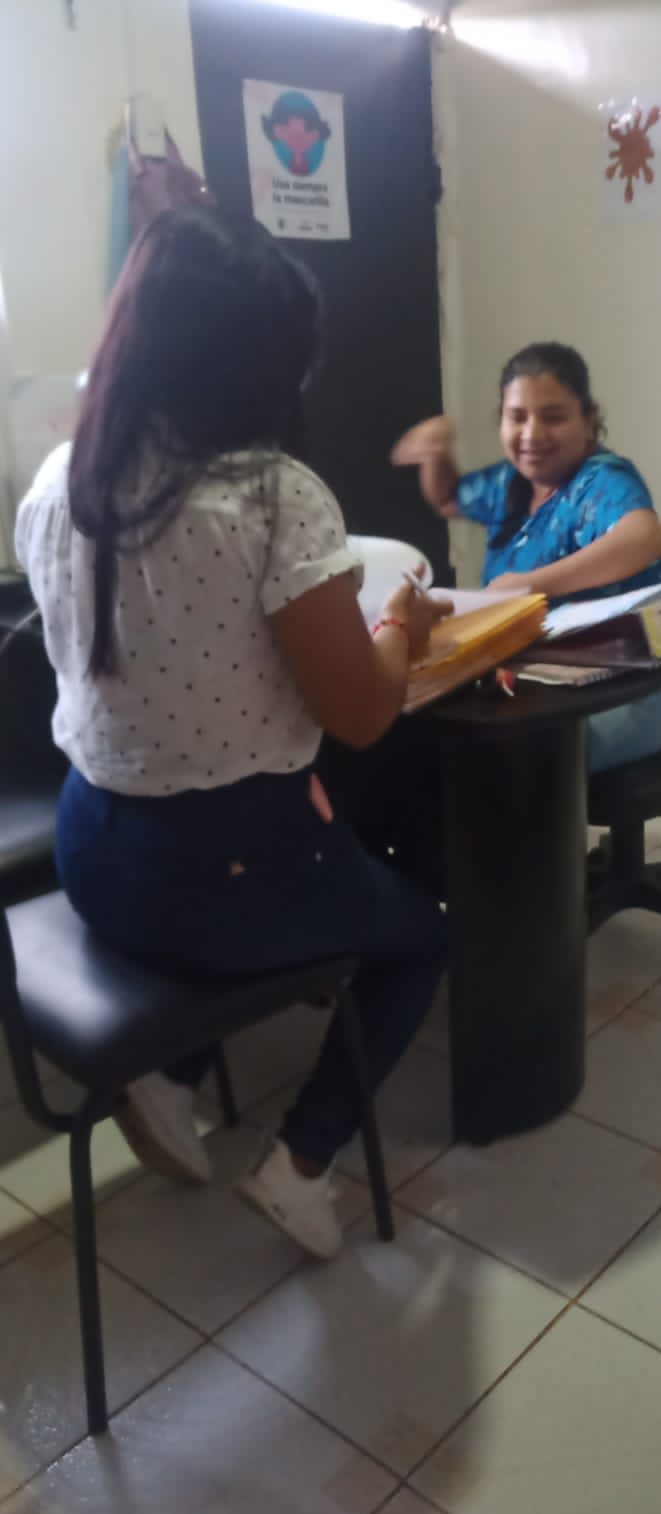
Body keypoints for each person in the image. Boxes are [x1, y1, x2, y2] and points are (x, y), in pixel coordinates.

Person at [14, 208, 451, 1261]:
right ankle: (302, 1164)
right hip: (227, 874)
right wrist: (400, 625)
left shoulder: (61, 476)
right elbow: (361, 714)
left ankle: (164, 1074)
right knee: (421, 931)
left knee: (316, 848)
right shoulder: (270, 496)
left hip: (92, 852)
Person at [391, 342, 661, 772]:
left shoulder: (602, 480)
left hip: (631, 694)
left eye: (553, 417)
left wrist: (532, 583)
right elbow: (448, 499)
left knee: (503, 766)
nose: (531, 434)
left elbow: (646, 538)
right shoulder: (510, 482)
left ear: (589, 419)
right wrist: (435, 454)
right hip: (540, 687)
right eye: (517, 417)